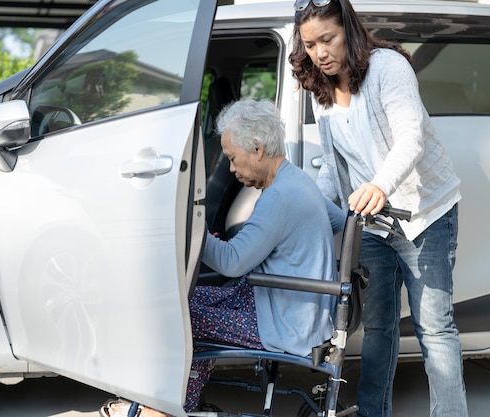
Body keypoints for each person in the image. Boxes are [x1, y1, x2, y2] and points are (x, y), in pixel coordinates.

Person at [100, 98, 345, 417]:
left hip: (283, 324)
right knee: (185, 298)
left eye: (232, 158)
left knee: (179, 312)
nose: (231, 168)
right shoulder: (296, 180)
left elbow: (232, 262)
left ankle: (161, 410)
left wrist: (194, 228)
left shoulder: (279, 197)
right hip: (289, 307)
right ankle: (176, 403)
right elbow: (339, 220)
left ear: (257, 148)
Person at [289, 1, 468, 417]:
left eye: (327, 39)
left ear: (349, 29)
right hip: (374, 225)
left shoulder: (389, 67)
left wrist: (379, 185)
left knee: (435, 330)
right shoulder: (322, 91)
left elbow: (411, 137)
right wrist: (309, 211)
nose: (321, 53)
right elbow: (336, 169)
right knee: (378, 329)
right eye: (311, 44)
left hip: (426, 215)